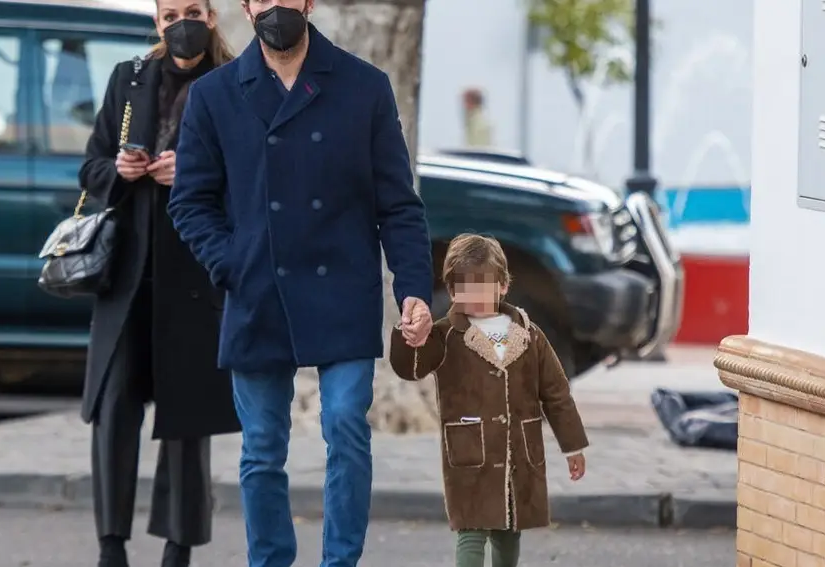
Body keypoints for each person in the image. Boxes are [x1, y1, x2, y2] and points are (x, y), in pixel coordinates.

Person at [166, 0, 434, 564]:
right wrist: (230, 262)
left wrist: (413, 289)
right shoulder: (215, 95)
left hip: (343, 289)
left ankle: (340, 562)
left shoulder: (364, 87)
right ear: (246, 5)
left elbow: (399, 205)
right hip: (256, 291)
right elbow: (189, 201)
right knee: (262, 450)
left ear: (309, 3)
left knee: (345, 426)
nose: (275, 7)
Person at [76, 2, 240, 566]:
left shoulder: (236, 82)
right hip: (126, 273)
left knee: (187, 418)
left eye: (193, 10)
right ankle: (110, 545)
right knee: (113, 407)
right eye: (170, 12)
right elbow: (92, 165)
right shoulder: (131, 78)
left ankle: (179, 548)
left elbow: (255, 176)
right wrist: (118, 172)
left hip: (195, 274)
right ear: (157, 20)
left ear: (213, 17)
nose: (181, 22)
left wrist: (191, 173)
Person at [389, 234, 589, 567]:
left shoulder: (529, 334)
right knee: (471, 530)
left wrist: (572, 446)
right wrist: (409, 335)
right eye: (465, 287)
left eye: (484, 285)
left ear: (503, 286)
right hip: (470, 453)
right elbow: (411, 368)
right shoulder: (444, 334)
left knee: (510, 530)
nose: (476, 295)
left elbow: (556, 393)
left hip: (518, 454)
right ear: (452, 292)